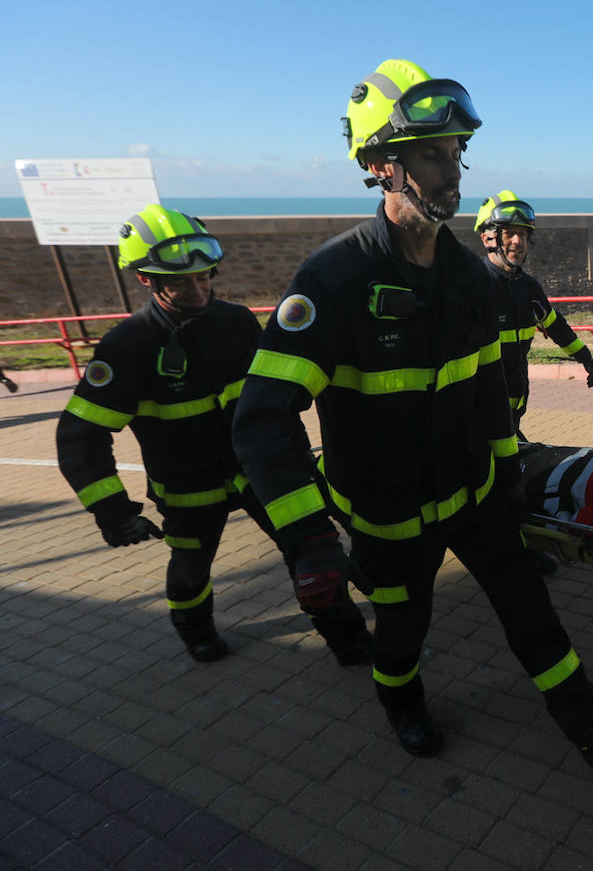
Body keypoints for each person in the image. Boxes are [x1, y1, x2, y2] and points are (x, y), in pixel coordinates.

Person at [231, 59, 593, 760]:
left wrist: (508, 478)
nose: (452, 172)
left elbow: (488, 392)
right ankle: (403, 704)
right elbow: (262, 419)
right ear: (379, 164)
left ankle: (586, 718)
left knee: (529, 608)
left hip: (474, 492)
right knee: (402, 628)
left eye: (456, 153)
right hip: (387, 518)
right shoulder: (333, 281)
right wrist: (309, 539)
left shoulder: (468, 278)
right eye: (431, 153)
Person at [55, 205, 370, 664]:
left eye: (204, 276)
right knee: (190, 568)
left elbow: (272, 401)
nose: (198, 288)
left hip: (260, 475)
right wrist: (112, 511)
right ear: (146, 279)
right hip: (187, 489)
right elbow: (79, 435)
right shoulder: (128, 347)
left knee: (310, 555)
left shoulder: (237, 322)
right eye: (182, 281)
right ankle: (195, 630)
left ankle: (348, 639)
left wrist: (297, 464)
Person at [475, 190, 593, 435]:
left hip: (515, 409)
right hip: (479, 414)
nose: (518, 241)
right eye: (509, 233)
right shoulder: (472, 287)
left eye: (522, 233)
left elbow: (554, 326)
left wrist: (586, 358)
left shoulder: (528, 287)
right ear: (487, 238)